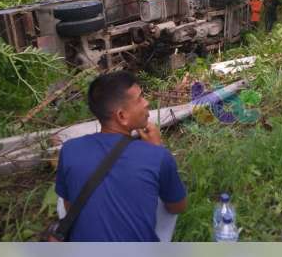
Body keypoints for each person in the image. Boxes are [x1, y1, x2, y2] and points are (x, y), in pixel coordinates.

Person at [54, 70, 187, 240]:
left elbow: (69, 205)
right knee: (163, 192)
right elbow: (178, 207)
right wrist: (158, 148)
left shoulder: (69, 149)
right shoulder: (158, 155)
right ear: (122, 116)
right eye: (140, 99)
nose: (147, 103)